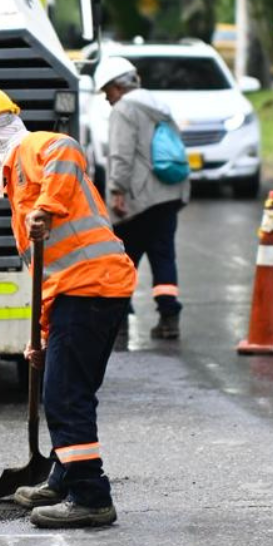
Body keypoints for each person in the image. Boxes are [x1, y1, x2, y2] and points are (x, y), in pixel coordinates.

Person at [0, 85, 137, 529]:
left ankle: (90, 496)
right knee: (66, 388)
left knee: (63, 395)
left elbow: (67, 147)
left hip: (92, 288)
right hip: (82, 291)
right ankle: (60, 479)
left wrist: (47, 205)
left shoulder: (33, 148)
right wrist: (38, 335)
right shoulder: (17, 183)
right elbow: (47, 271)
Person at [96, 56, 190, 341]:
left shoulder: (124, 109)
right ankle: (169, 317)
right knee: (164, 256)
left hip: (140, 198)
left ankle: (119, 320)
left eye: (107, 91)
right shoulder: (157, 105)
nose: (107, 98)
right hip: (169, 193)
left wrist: (116, 191)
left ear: (118, 86)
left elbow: (121, 155)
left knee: (122, 260)